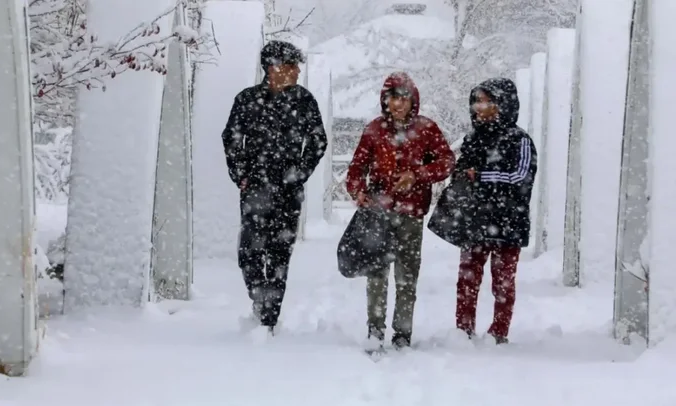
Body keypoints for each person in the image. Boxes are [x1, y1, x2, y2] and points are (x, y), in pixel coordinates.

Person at [221, 40, 328, 333]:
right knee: (250, 252)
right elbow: (231, 138)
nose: (296, 71)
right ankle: (258, 295)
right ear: (273, 68)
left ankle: (269, 317)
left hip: (288, 190)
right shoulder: (247, 99)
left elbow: (319, 141)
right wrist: (240, 174)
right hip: (255, 187)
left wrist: (300, 173)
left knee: (280, 252)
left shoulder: (304, 100)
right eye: (291, 65)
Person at [346, 71, 455, 351]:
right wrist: (358, 191)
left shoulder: (427, 129)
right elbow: (356, 169)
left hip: (411, 214)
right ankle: (375, 329)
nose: (399, 104)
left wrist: (417, 175)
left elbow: (447, 162)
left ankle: (403, 333)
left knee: (407, 275)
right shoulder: (374, 130)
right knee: (377, 273)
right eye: (394, 98)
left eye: (404, 98)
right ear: (385, 100)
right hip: (378, 214)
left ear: (413, 101)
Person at [451, 78, 538, 345]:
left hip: (508, 222)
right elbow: (461, 172)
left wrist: (482, 176)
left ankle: (499, 332)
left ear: (503, 104)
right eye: (476, 101)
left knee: (502, 281)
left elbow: (520, 177)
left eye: (486, 101)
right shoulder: (472, 139)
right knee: (467, 278)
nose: (480, 107)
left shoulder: (519, 139)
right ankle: (462, 330)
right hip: (476, 220)